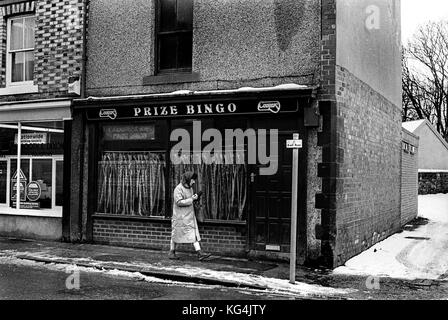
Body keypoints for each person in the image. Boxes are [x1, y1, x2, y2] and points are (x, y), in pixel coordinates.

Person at [169, 171, 211, 261]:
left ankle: (200, 253)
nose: (194, 182)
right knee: (175, 235)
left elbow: (189, 200)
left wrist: (195, 199)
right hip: (180, 218)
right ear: (188, 179)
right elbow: (179, 202)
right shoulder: (178, 189)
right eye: (192, 180)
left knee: (194, 234)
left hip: (189, 217)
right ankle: (172, 252)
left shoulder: (190, 188)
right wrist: (191, 199)